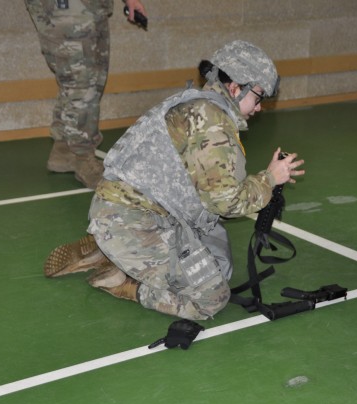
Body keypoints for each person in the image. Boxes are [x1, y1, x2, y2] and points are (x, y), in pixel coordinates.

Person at [43, 40, 305, 320]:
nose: (259, 107)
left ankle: (114, 251)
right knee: (211, 297)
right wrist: (269, 179)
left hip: (146, 211)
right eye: (259, 96)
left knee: (220, 264)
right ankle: (127, 281)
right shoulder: (212, 124)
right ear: (235, 87)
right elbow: (226, 203)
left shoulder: (197, 104)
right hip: (132, 219)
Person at [24, 0, 147, 188]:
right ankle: (82, 156)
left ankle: (64, 150)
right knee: (81, 80)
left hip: (92, 6)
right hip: (65, 7)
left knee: (93, 77)